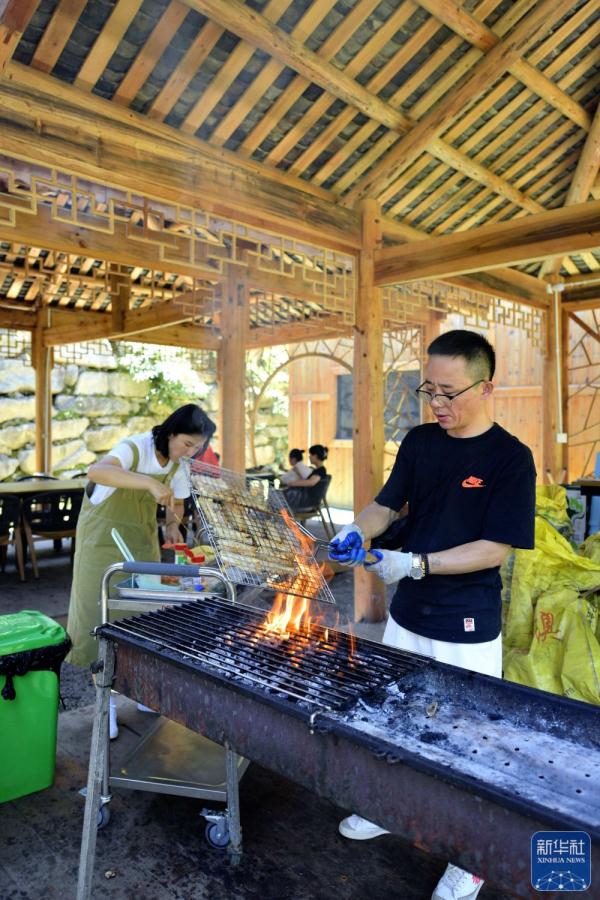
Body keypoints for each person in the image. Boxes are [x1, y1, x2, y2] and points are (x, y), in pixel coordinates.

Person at [329, 330, 536, 900]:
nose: (437, 404)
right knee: (395, 719)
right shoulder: (420, 442)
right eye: (429, 390)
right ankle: (386, 807)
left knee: (468, 742)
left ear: (486, 386)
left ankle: (470, 856)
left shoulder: (510, 459)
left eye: (449, 392)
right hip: (408, 615)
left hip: (467, 622)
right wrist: (356, 529)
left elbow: (496, 548)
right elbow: (385, 504)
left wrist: (416, 563)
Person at [66, 403, 216, 737]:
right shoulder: (135, 448)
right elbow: (97, 471)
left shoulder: (178, 464)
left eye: (197, 448)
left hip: (141, 538)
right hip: (102, 541)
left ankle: (143, 690)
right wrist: (147, 483)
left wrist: (171, 528)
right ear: (171, 432)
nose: (191, 452)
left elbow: (176, 499)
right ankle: (105, 703)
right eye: (187, 444)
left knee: (143, 614)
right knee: (101, 616)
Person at [282, 444, 328, 511]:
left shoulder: (321, 470)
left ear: (315, 456)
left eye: (311, 455)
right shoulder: (319, 470)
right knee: (281, 495)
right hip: (307, 499)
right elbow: (309, 480)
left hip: (307, 501)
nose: (309, 457)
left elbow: (311, 482)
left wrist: (292, 483)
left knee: (279, 497)